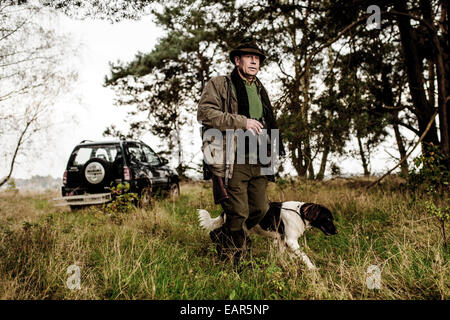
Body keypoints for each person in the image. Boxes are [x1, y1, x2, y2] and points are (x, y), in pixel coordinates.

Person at [197, 38, 284, 265]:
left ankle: (222, 235)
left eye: (257, 58)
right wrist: (241, 121)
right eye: (249, 57)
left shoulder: (260, 89)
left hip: (259, 158)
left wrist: (275, 149)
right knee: (238, 212)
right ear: (237, 60)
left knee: (261, 208)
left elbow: (269, 122)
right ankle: (239, 259)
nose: (254, 61)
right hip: (232, 159)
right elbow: (205, 113)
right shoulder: (220, 84)